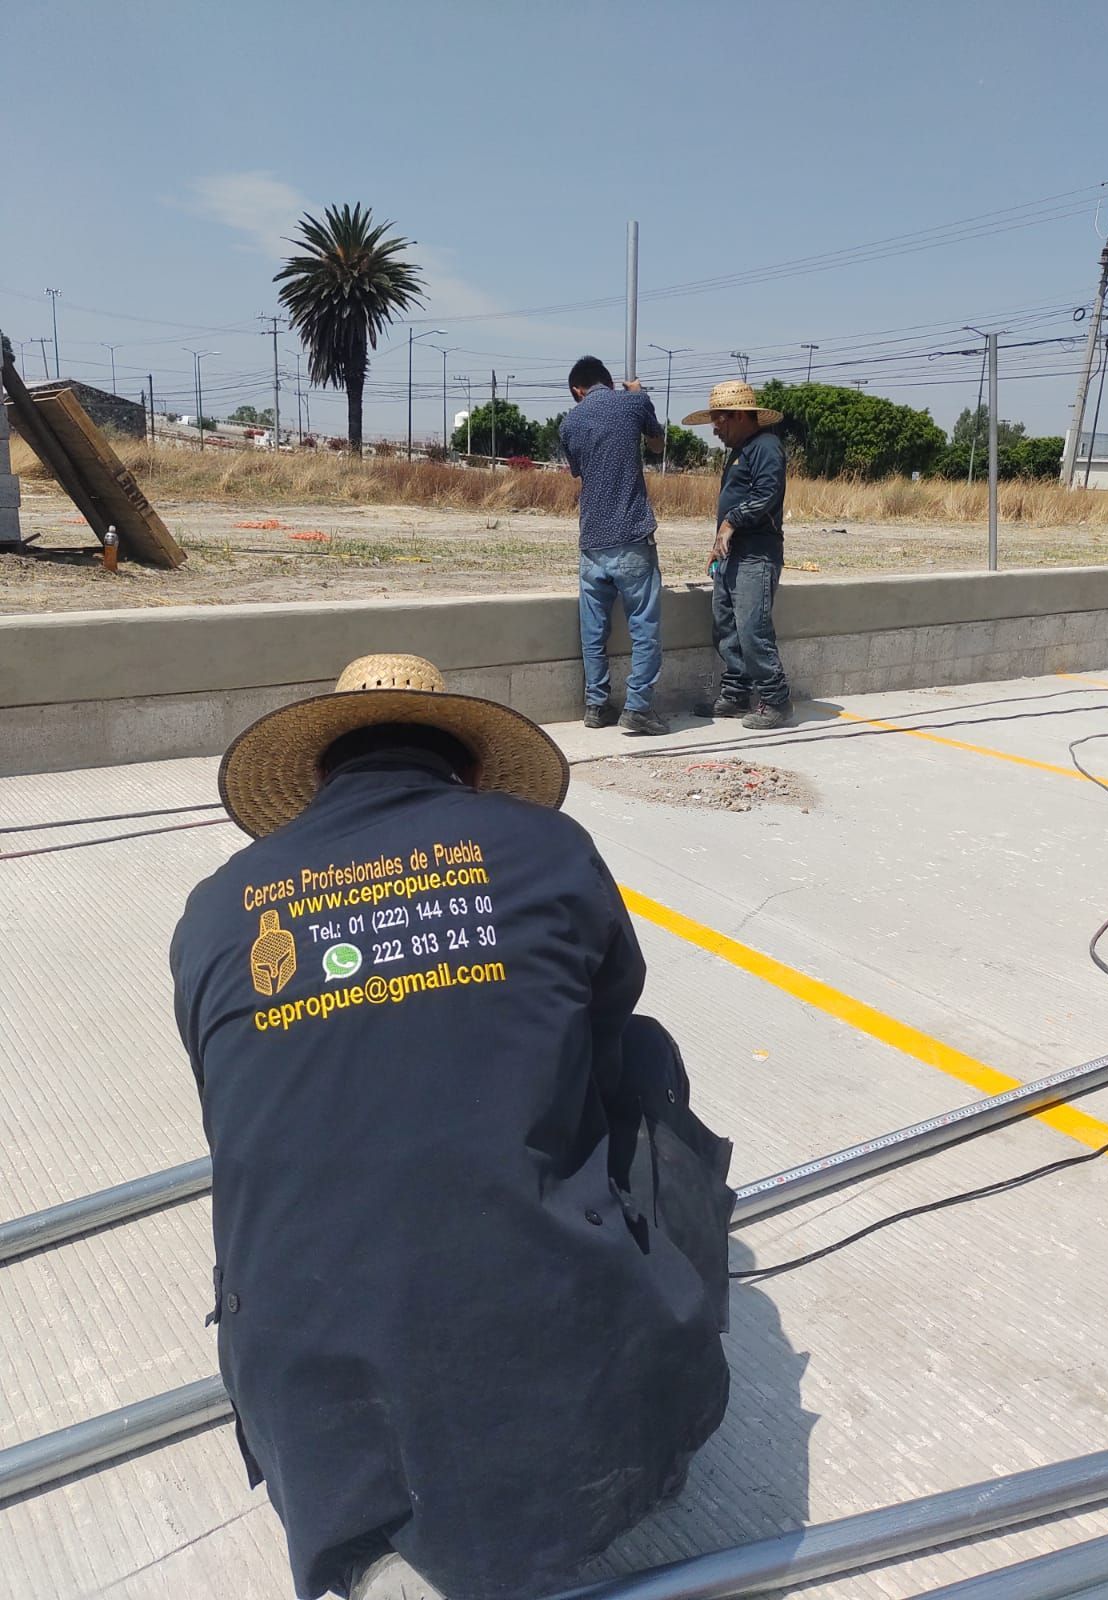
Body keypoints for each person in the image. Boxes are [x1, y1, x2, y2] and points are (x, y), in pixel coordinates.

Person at [170, 652, 735, 1600]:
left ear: (318, 779)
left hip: (294, 1386)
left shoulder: (218, 906)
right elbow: (605, 1025)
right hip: (547, 1382)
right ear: (470, 771)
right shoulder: (543, 847)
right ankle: (639, 1400)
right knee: (644, 1058)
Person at [559, 355, 669, 736]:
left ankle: (596, 704)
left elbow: (579, 471)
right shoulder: (633, 403)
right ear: (608, 381)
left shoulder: (569, 422)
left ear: (578, 389)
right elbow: (657, 446)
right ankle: (638, 707)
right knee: (644, 628)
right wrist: (642, 396)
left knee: (593, 631)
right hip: (632, 535)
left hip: (591, 541)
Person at [682, 381, 792, 729]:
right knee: (726, 627)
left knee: (751, 628)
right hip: (733, 555)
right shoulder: (741, 450)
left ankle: (776, 700)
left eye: (720, 420)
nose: (715, 428)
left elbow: (766, 495)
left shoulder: (766, 447)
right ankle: (735, 693)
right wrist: (718, 545)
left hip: (756, 555)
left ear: (742, 416)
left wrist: (731, 521)